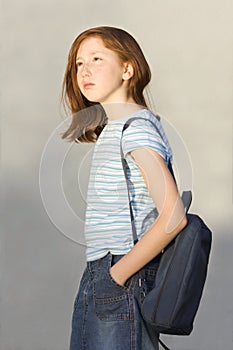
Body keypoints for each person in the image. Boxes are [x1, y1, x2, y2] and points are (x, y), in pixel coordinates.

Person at [61, 26, 187, 350]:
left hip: (121, 276)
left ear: (128, 69)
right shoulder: (117, 127)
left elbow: (173, 216)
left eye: (97, 59)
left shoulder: (134, 129)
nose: (84, 70)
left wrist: (116, 276)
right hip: (104, 272)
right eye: (78, 63)